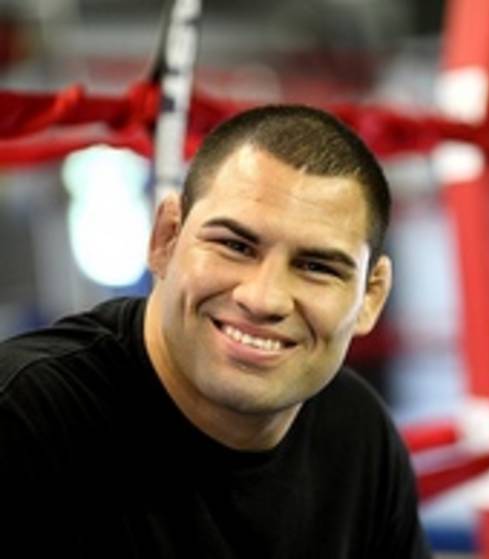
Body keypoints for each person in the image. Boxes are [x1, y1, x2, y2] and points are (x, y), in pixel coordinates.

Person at [0, 104, 432, 558]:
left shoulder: (356, 435)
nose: (264, 299)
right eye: (234, 246)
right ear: (167, 237)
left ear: (371, 296)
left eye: (316, 267)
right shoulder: (24, 422)